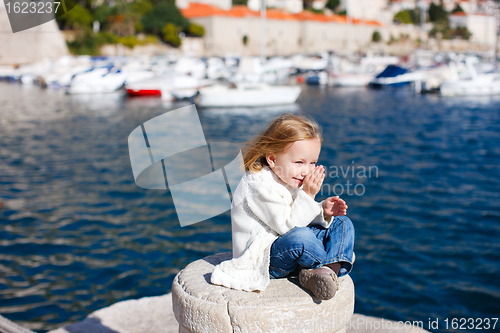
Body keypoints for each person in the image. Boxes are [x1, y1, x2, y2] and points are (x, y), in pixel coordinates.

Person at [210, 113, 354, 300]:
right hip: (266, 256)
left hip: (287, 242)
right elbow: (288, 226)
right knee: (301, 237)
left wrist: (321, 211)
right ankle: (333, 261)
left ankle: (326, 270)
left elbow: (293, 210)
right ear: (272, 159)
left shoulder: (286, 175)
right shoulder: (258, 184)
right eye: (299, 162)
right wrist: (308, 195)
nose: (307, 170)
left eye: (313, 163)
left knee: (341, 222)